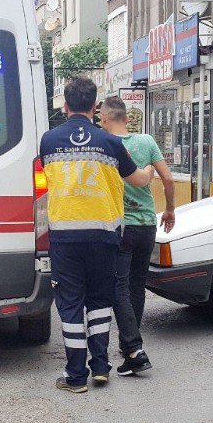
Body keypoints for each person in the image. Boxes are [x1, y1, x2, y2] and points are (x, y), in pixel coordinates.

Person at [41, 77, 152, 394]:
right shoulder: (111, 143)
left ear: (65, 106)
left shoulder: (48, 141)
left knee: (71, 304)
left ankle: (76, 376)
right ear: (95, 107)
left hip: (65, 238)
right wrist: (151, 171)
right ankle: (100, 368)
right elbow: (139, 180)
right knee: (101, 301)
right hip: (104, 237)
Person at [99, 96, 176, 376]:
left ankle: (133, 348)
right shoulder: (146, 142)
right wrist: (169, 210)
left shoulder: (106, 145)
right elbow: (167, 179)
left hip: (121, 226)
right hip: (146, 224)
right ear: (126, 118)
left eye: (101, 119)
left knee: (118, 287)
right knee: (136, 285)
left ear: (106, 119)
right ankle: (129, 342)